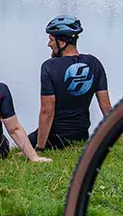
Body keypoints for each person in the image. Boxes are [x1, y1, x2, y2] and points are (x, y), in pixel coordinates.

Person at [29, 15, 110, 151]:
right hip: (81, 135)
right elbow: (106, 105)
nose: (49, 44)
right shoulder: (94, 63)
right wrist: (117, 132)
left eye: (51, 40)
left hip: (55, 137)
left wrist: (40, 148)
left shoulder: (49, 66)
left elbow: (47, 112)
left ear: (61, 43)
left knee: (21, 146)